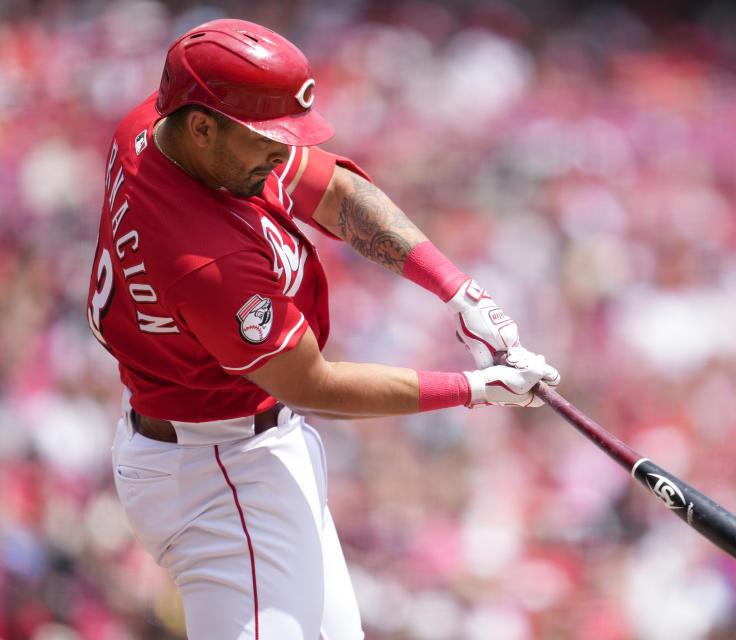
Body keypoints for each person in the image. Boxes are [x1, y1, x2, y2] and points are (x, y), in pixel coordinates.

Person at [85, 18, 559, 640]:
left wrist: (458, 290)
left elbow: (332, 191)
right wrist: (474, 389)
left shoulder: (159, 127)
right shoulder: (204, 259)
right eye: (268, 139)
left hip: (240, 451)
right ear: (202, 126)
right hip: (219, 478)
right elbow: (311, 384)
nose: (284, 153)